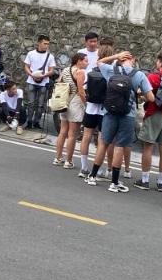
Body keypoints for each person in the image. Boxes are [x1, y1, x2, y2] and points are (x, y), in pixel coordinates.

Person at [85, 51, 153, 192]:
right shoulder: (139, 75)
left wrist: (115, 56)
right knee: (120, 146)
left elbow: (99, 62)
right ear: (132, 60)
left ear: (121, 60)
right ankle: (114, 183)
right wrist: (139, 94)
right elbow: (151, 98)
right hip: (128, 114)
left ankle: (92, 176)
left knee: (103, 143)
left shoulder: (111, 70)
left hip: (109, 111)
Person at [137, 53, 162, 192]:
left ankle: (145, 179)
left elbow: (146, 95)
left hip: (153, 113)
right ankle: (161, 182)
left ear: (160, 63)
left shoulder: (153, 77)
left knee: (148, 147)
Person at [77, 36, 115, 179]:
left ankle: (84, 167)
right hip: (106, 110)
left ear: (99, 55)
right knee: (103, 139)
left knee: (86, 136)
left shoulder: (90, 70)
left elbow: (83, 88)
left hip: (91, 108)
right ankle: (100, 169)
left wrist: (87, 102)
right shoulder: (113, 71)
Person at [53, 53, 87, 168]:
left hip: (64, 102)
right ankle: (69, 161)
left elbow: (59, 83)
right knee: (72, 134)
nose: (87, 63)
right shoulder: (80, 72)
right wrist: (85, 103)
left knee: (63, 131)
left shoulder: (66, 70)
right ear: (79, 61)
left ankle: (58, 158)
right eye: (85, 61)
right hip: (75, 102)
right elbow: (81, 91)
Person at [23, 35, 56, 135]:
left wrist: (44, 75)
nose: (46, 46)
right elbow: (26, 66)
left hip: (44, 82)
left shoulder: (50, 56)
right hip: (31, 81)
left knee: (41, 105)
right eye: (44, 43)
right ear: (39, 43)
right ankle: (29, 122)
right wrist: (31, 74)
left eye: (48, 44)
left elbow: (52, 70)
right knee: (31, 103)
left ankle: (36, 121)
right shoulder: (31, 53)